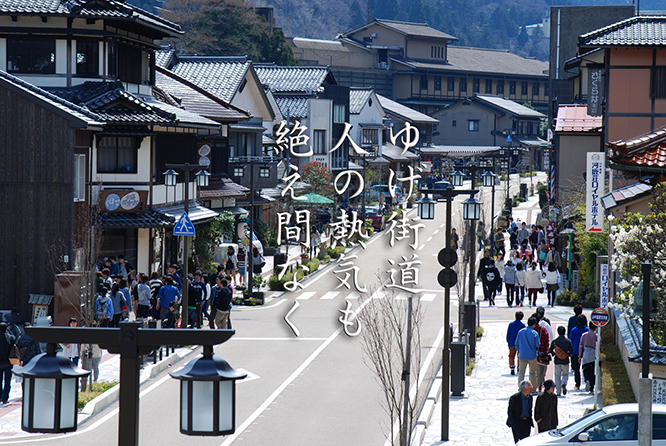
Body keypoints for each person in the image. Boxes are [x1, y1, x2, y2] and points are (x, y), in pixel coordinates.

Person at [515, 316, 540, 391]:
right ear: (534, 324)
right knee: (532, 373)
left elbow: (516, 343)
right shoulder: (534, 333)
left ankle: (520, 388)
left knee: (521, 372)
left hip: (522, 355)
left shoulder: (521, 331)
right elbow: (537, 344)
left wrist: (519, 350)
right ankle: (533, 389)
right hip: (532, 356)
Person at [550, 325, 573, 396]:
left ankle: (558, 391)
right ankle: (564, 383)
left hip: (557, 361)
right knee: (565, 374)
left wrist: (555, 354)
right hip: (565, 361)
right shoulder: (568, 341)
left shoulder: (554, 342)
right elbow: (571, 351)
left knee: (557, 376)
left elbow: (551, 350)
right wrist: (567, 355)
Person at [569, 314, 589, 390]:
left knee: (576, 369)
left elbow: (571, 340)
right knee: (586, 367)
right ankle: (587, 379)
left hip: (575, 351)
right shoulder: (587, 330)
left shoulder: (573, 330)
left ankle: (577, 384)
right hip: (586, 351)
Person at [0, 322, 16, 404]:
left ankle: (0, 396)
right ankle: (5, 398)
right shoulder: (11, 337)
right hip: (8, 362)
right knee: (7, 381)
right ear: (7, 329)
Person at [580, 322, 598, 393]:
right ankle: (591, 387)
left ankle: (586, 379)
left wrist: (579, 356)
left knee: (585, 368)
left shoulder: (584, 335)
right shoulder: (596, 336)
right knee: (593, 371)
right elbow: (599, 346)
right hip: (593, 354)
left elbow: (580, 345)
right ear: (595, 327)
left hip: (586, 353)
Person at [507, 311, 525, 375]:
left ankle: (512, 366)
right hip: (520, 344)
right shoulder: (523, 325)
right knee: (519, 356)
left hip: (512, 342)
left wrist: (508, 342)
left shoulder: (511, 324)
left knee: (511, 355)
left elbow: (508, 334)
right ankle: (518, 367)